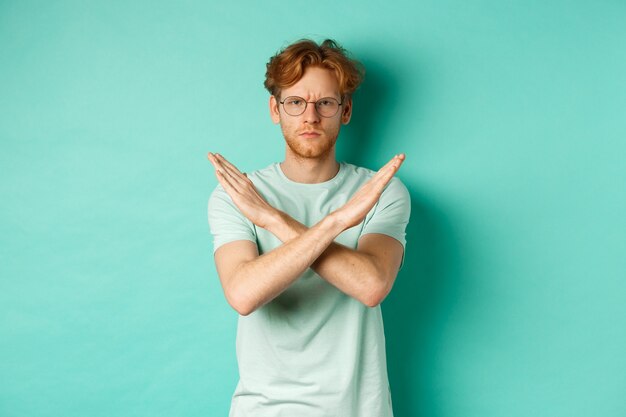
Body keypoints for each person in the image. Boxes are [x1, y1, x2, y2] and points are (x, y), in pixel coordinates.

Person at [207, 38, 410, 417]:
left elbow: (370, 287)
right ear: (275, 109)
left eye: (325, 103)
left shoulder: (380, 190)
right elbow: (243, 294)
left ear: (345, 110)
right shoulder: (239, 195)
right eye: (296, 102)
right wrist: (335, 223)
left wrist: (272, 219)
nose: (310, 117)